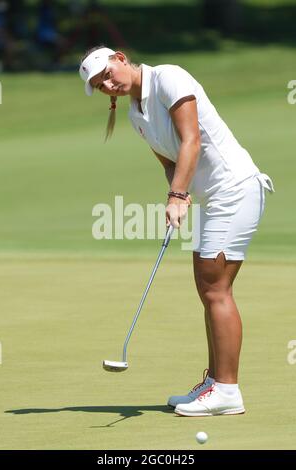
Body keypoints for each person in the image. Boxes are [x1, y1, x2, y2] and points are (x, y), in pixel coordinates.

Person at [79, 46, 274, 417]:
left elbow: (191, 140)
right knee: (208, 286)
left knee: (215, 288)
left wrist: (179, 194)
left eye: (107, 73)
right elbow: (169, 161)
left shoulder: (168, 77)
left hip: (234, 189)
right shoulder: (137, 115)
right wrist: (177, 196)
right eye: (100, 85)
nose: (108, 84)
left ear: (121, 58)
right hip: (214, 199)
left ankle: (228, 391)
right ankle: (216, 381)